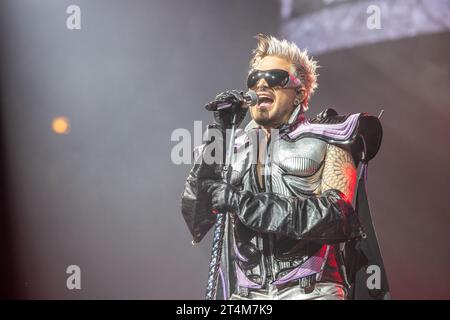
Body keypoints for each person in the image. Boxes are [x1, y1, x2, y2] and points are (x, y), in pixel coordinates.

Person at [181, 34, 389, 300]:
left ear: (299, 93)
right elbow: (196, 218)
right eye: (254, 78)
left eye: (276, 77)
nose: (262, 83)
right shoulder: (231, 146)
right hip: (245, 296)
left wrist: (244, 204)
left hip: (312, 291)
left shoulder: (330, 138)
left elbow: (337, 217)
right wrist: (221, 131)